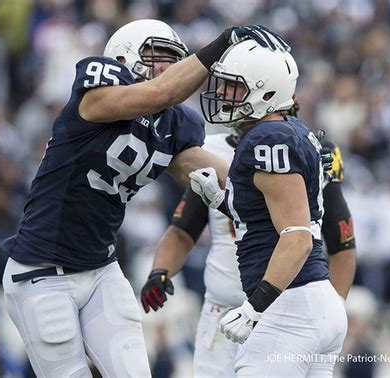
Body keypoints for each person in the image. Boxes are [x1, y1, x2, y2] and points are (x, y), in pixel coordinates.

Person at [0, 19, 289, 377]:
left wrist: (293, 166)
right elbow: (162, 93)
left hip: (101, 269)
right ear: (122, 56)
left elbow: (226, 174)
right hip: (41, 272)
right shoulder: (96, 93)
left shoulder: (173, 125)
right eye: (158, 56)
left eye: (173, 60)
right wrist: (221, 44)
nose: (167, 68)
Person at [141, 98, 356, 376]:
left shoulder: (305, 154)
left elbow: (343, 247)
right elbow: (183, 230)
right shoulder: (215, 151)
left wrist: (327, 309)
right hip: (226, 306)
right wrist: (160, 270)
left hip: (283, 307)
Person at [188, 39, 347, 376]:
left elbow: (297, 236)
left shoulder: (267, 140)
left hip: (289, 307)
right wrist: (221, 201)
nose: (223, 94)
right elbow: (273, 216)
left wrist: (254, 307)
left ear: (265, 91)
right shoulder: (292, 132)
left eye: (234, 87)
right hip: (315, 301)